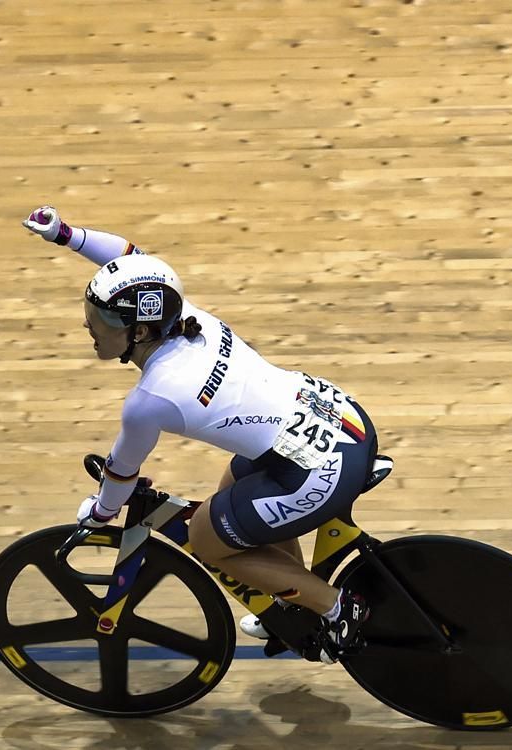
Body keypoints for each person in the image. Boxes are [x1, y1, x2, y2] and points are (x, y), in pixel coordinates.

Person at [22, 205, 378, 659]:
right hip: (340, 418)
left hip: (312, 466)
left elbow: (121, 473)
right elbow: (128, 257)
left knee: (210, 540)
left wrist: (102, 513)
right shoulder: (186, 315)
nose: (89, 326)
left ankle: (336, 608)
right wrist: (66, 235)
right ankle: (296, 603)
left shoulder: (151, 400)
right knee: (234, 486)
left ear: (142, 329)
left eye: (105, 321)